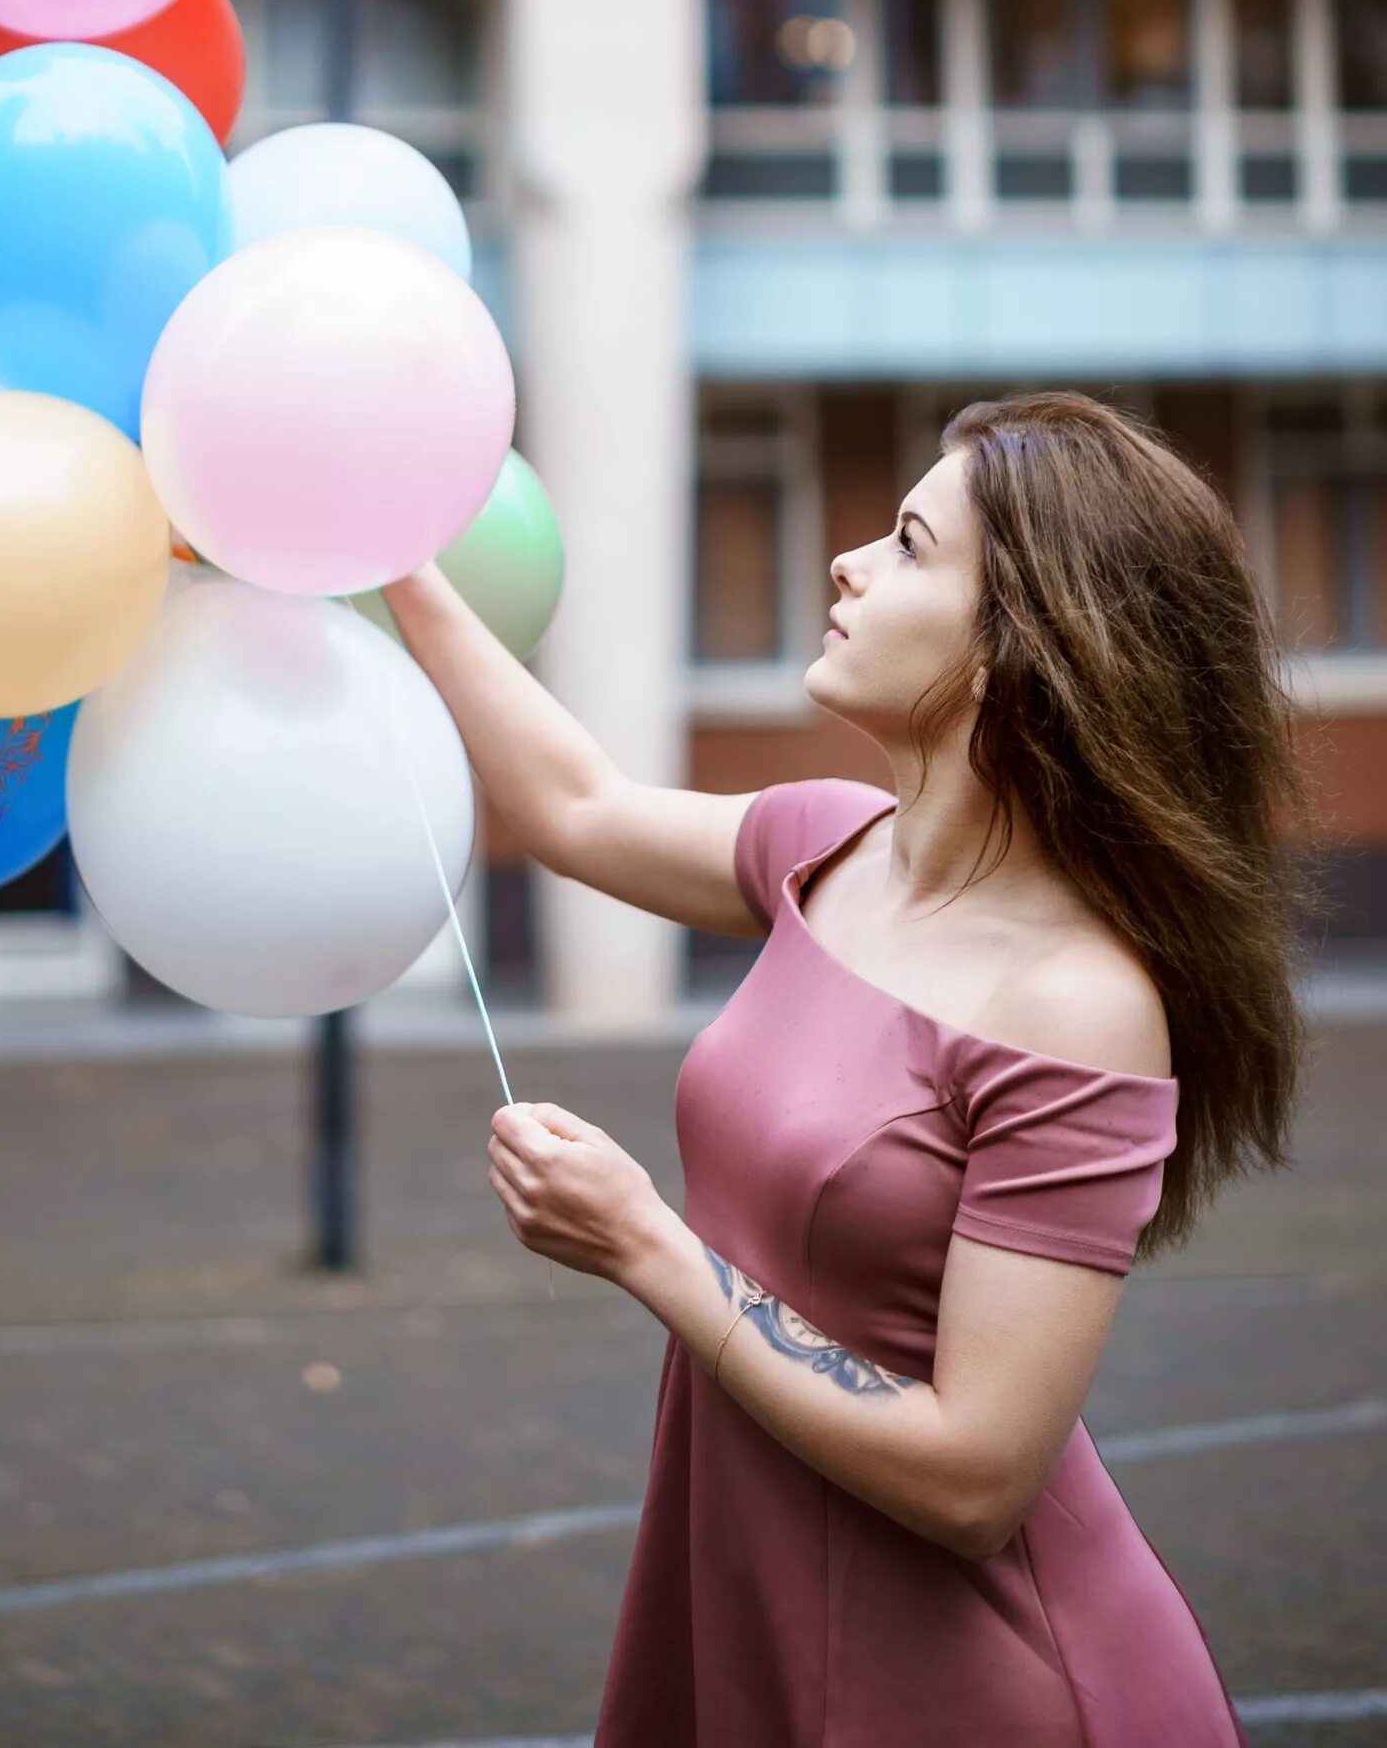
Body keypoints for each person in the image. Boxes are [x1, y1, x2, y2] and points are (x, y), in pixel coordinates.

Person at [382, 391, 1310, 1747]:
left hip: (980, 1682)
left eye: (912, 546)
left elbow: (977, 1475)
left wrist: (647, 1244)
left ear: (1019, 647)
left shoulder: (1078, 1004)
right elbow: (571, 807)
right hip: (750, 1583)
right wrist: (388, 561)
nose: (848, 563)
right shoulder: (830, 847)